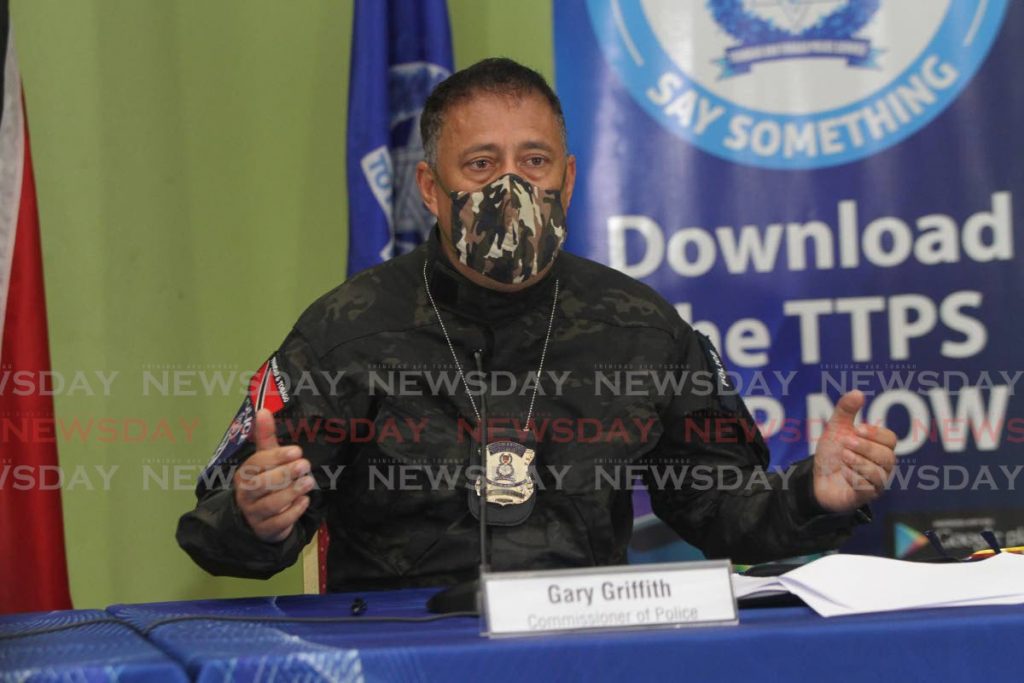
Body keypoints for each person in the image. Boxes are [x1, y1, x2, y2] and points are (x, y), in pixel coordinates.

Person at [177, 58, 897, 591]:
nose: (512, 187)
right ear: (431, 188)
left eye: (534, 161)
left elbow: (720, 508)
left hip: (587, 646)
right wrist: (254, 514)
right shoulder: (346, 332)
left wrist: (814, 491)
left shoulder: (640, 328)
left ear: (569, 179)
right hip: (405, 649)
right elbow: (222, 528)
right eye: (482, 163)